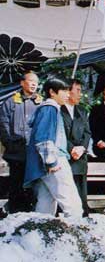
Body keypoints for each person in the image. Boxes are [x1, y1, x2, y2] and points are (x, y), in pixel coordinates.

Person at [23, 77, 83, 217]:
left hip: (44, 165)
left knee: (45, 208)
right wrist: (52, 161)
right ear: (52, 92)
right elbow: (43, 139)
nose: (68, 94)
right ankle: (76, 237)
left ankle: (38, 237)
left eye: (69, 90)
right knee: (72, 205)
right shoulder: (49, 108)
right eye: (64, 90)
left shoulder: (47, 108)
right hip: (54, 161)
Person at [0, 71, 42, 213]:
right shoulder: (11, 101)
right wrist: (9, 143)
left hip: (34, 152)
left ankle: (31, 213)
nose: (33, 84)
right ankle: (14, 213)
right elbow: (3, 124)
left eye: (36, 82)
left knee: (32, 184)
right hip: (15, 152)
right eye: (30, 81)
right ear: (22, 83)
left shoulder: (40, 102)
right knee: (16, 183)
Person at [61, 79, 92, 216]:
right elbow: (60, 133)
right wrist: (71, 149)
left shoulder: (82, 111)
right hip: (67, 156)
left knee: (81, 191)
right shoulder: (58, 110)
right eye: (78, 90)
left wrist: (81, 148)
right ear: (68, 91)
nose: (80, 94)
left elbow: (87, 132)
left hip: (80, 157)